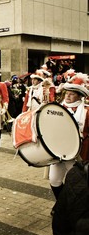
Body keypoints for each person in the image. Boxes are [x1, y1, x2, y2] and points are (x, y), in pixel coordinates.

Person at [49, 73, 89, 202]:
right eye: (67, 93)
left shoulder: (87, 111)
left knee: (78, 183)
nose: (67, 95)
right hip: (59, 151)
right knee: (54, 180)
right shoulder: (56, 109)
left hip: (79, 153)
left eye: (72, 94)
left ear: (80, 96)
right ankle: (62, 204)